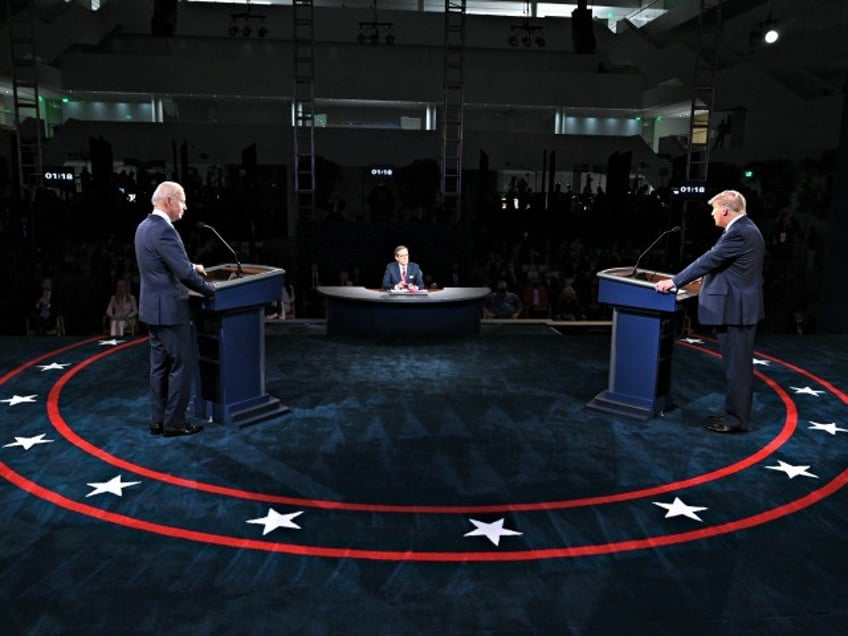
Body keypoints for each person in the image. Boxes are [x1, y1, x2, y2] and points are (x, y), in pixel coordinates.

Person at [654, 189, 765, 434]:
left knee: (738, 369)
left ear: (725, 209)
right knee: (735, 367)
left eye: (714, 209)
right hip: (737, 309)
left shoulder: (740, 232)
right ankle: (733, 414)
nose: (713, 214)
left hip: (738, 311)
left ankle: (737, 419)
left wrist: (675, 282)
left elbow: (709, 260)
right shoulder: (744, 229)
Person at [134, 181, 216, 438]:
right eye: (182, 201)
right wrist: (211, 289)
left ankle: (159, 420)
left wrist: (192, 265)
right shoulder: (165, 231)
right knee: (182, 365)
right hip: (171, 310)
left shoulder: (144, 227)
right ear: (169, 201)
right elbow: (182, 274)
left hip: (152, 309)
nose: (185, 206)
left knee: (159, 367)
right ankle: (175, 423)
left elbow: (162, 261)